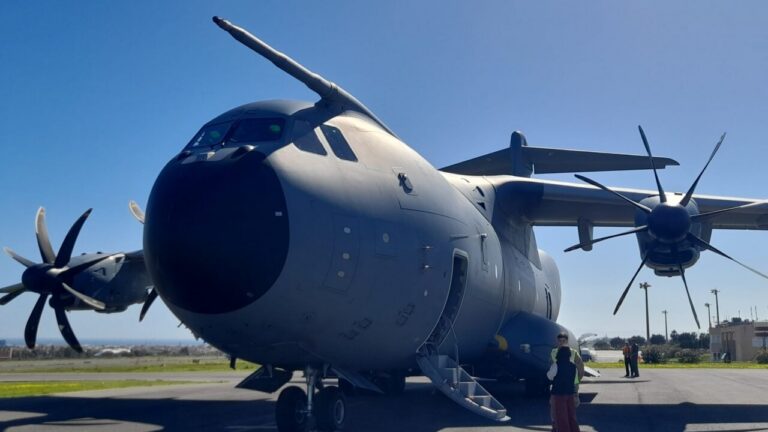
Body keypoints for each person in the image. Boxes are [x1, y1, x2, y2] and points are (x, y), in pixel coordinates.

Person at [548, 332, 584, 431]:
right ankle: (556, 426)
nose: (561, 343)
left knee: (570, 410)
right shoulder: (553, 352)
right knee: (554, 408)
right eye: (560, 341)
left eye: (564, 341)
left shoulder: (573, 352)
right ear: (557, 341)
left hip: (572, 385)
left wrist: (577, 381)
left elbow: (580, 368)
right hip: (558, 385)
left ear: (567, 341)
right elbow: (551, 367)